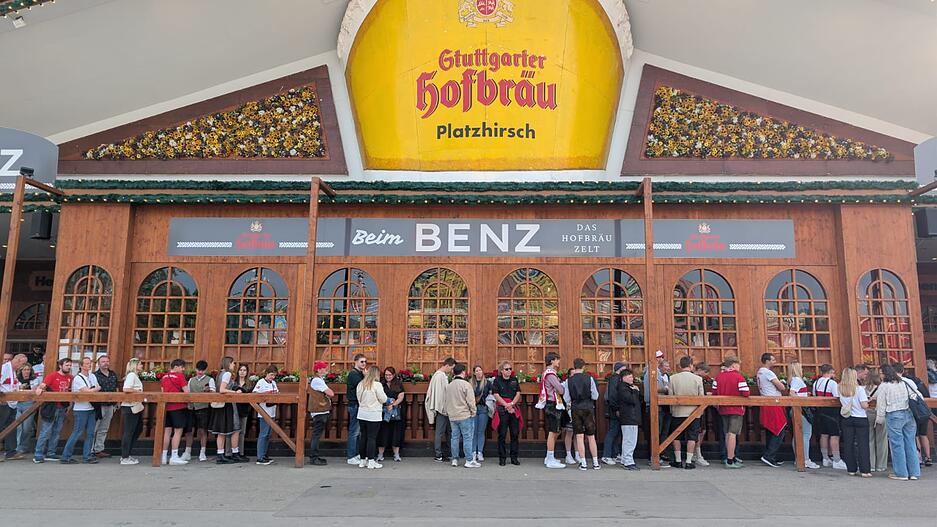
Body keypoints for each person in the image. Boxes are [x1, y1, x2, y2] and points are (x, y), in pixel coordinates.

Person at [875, 364, 921, 481]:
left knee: (897, 444)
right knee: (910, 443)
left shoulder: (884, 386)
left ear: (884, 374)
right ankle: (914, 472)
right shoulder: (904, 382)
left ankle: (901, 473)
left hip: (894, 414)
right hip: (909, 413)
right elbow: (917, 395)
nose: (880, 375)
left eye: (880, 373)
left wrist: (879, 419)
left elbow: (881, 405)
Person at [667, 355, 704, 470]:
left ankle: (678, 460)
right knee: (692, 437)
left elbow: (670, 396)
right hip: (694, 412)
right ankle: (688, 461)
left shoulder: (673, 378)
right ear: (690, 365)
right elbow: (701, 397)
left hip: (678, 411)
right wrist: (700, 412)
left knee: (676, 436)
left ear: (680, 366)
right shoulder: (698, 379)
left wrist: (672, 409)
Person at [61, 357, 101, 464]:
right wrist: (94, 389)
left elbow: (95, 389)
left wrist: (93, 390)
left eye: (90, 363)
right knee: (77, 432)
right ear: (81, 366)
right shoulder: (78, 378)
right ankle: (66, 456)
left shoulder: (92, 376)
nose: (89, 365)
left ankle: (87, 456)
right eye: (87, 363)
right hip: (81, 409)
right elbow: (87, 391)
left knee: (90, 433)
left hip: (91, 408)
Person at [32, 358, 73, 463]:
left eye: (70, 365)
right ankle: (38, 454)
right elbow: (43, 385)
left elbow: (71, 392)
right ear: (60, 365)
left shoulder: (70, 377)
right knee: (45, 431)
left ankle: (51, 453)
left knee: (57, 432)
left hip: (62, 407)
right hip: (51, 407)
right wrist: (39, 389)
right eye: (67, 365)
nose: (69, 367)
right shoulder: (53, 375)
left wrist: (69, 405)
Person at [712, 356, 749, 468]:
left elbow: (714, 393)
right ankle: (730, 460)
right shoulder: (739, 377)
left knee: (727, 433)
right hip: (736, 408)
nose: (739, 366)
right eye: (738, 364)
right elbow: (745, 393)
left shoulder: (718, 377)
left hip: (723, 408)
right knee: (733, 434)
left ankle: (729, 457)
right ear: (733, 365)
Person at [210, 356, 245, 464]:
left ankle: (221, 454)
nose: (234, 365)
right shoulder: (228, 374)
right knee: (235, 428)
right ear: (229, 363)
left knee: (222, 431)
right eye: (233, 363)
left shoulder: (220, 374)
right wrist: (236, 392)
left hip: (221, 405)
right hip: (227, 404)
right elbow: (222, 389)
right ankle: (234, 453)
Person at [568, 358, 601, 470]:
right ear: (583, 367)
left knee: (579, 436)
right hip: (588, 407)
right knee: (591, 436)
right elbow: (595, 395)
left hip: (576, 408)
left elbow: (566, 397)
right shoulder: (589, 378)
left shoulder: (569, 380)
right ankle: (596, 462)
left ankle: (583, 463)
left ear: (574, 366)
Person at [812, 363, 846, 469]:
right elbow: (836, 396)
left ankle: (825, 458)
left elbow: (814, 395)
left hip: (820, 411)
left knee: (824, 434)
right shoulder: (832, 383)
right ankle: (836, 459)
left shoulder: (816, 383)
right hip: (831, 412)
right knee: (834, 435)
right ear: (830, 372)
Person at [756, 353, 787, 468]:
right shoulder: (767, 372)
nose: (775, 361)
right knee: (779, 429)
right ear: (767, 361)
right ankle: (769, 455)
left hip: (766, 401)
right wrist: (782, 383)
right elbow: (781, 387)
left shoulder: (760, 372)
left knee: (772, 430)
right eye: (773, 359)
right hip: (773, 402)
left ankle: (771, 455)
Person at [897, 365, 932, 467]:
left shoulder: (901, 382)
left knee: (914, 435)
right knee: (923, 434)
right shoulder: (914, 381)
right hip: (922, 411)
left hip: (913, 411)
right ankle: (928, 457)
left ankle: (919, 458)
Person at [839, 367, 871, 477]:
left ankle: (851, 469)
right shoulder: (859, 389)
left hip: (847, 418)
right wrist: (868, 402)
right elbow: (864, 405)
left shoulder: (840, 388)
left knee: (848, 444)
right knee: (863, 444)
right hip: (860, 417)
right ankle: (865, 470)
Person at [446, 363, 480, 468]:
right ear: (463, 372)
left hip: (452, 415)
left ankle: (455, 459)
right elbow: (471, 401)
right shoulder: (466, 385)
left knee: (454, 437)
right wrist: (473, 412)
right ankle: (469, 460)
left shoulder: (449, 385)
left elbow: (446, 401)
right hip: (464, 415)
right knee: (467, 438)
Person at [787, 361, 819, 469]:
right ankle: (805, 459)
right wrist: (801, 400)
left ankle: (799, 458)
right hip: (801, 409)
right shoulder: (797, 380)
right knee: (805, 434)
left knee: (798, 435)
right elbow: (792, 393)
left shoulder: (792, 380)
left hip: (796, 408)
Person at [356, 365, 388, 469]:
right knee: (372, 438)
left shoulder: (361, 384)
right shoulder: (377, 385)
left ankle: (362, 460)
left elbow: (358, 398)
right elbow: (383, 399)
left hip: (362, 413)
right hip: (373, 414)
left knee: (363, 437)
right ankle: (371, 461)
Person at [160, 358, 191, 465]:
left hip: (167, 407)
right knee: (178, 432)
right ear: (176, 367)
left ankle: (163, 456)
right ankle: (174, 456)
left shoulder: (164, 377)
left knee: (167, 432)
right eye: (182, 367)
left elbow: (162, 392)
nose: (183, 370)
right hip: (178, 407)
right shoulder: (179, 376)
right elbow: (187, 392)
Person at [644, 352, 672, 467]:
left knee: (662, 432)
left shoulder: (660, 374)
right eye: (659, 358)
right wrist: (666, 389)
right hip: (655, 405)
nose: (661, 359)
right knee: (656, 431)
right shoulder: (651, 372)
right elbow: (653, 389)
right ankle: (654, 456)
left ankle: (659, 454)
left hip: (663, 406)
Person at [492, 360, 522, 466]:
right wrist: (506, 405)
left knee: (514, 434)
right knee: (502, 434)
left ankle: (514, 457)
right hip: (503, 409)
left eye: (510, 369)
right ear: (501, 371)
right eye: (506, 369)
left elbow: (518, 393)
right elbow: (496, 395)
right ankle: (502, 458)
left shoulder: (514, 380)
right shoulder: (497, 381)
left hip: (513, 408)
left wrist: (512, 404)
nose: (509, 371)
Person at [426, 357, 455, 462]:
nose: (451, 371)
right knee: (441, 432)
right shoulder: (440, 376)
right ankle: (439, 454)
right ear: (447, 365)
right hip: (443, 408)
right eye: (451, 368)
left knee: (447, 432)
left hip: (443, 408)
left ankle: (448, 453)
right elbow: (441, 394)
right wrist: (443, 408)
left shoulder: (438, 375)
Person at [541, 352, 566, 469]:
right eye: (557, 360)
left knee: (555, 430)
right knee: (553, 431)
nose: (558, 362)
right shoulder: (551, 374)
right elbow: (560, 390)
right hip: (552, 404)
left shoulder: (547, 373)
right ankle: (550, 458)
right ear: (552, 361)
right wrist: (562, 385)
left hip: (551, 404)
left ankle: (549, 456)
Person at [187, 360, 215, 462]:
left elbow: (213, 393)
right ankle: (188, 451)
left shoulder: (210, 380)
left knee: (203, 430)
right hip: (191, 407)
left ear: (205, 370)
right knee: (190, 430)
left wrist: (209, 391)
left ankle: (202, 452)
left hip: (204, 407)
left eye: (202, 370)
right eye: (198, 369)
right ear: (195, 369)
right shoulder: (191, 380)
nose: (200, 372)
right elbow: (188, 392)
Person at [91, 355, 119, 459]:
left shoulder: (112, 374)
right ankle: (89, 450)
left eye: (107, 361)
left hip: (111, 405)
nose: (106, 363)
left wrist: (118, 402)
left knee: (104, 428)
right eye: (103, 361)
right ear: (98, 363)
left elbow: (116, 387)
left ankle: (99, 449)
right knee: (94, 428)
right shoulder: (94, 375)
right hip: (99, 405)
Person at [0, 353, 27, 460]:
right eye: (23, 363)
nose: (23, 366)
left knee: (11, 427)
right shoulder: (4, 369)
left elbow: (11, 384)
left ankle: (11, 452)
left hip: (11, 403)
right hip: (4, 402)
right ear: (18, 361)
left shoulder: (13, 371)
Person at [614, 368, 642, 471]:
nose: (632, 378)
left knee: (628, 440)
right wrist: (635, 391)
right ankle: (628, 461)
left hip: (629, 417)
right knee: (630, 440)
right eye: (630, 376)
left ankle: (625, 460)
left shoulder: (625, 387)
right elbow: (632, 400)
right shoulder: (624, 388)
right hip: (630, 417)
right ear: (624, 378)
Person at [307, 361, 334, 466]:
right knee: (316, 435)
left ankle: (315, 456)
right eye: (323, 368)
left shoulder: (318, 380)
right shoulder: (317, 381)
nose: (326, 369)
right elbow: (331, 393)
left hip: (320, 411)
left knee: (316, 435)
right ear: (318, 370)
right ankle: (314, 457)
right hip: (319, 411)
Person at [252, 365, 279, 465]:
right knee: (263, 434)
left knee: (268, 434)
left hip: (272, 411)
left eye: (274, 375)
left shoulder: (273, 383)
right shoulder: (261, 382)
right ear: (266, 374)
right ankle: (260, 457)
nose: (273, 377)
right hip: (264, 412)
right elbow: (255, 393)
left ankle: (265, 454)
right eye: (271, 375)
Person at [119, 358, 145, 465]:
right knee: (129, 432)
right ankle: (125, 456)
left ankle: (127, 454)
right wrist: (137, 391)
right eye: (140, 364)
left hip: (135, 406)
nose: (142, 366)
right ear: (135, 365)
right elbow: (126, 389)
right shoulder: (131, 376)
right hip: (130, 406)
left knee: (137, 429)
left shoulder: (135, 376)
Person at [378, 366, 406, 463]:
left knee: (396, 433)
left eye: (389, 375)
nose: (388, 377)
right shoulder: (381, 384)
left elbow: (401, 396)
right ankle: (380, 454)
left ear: (393, 375)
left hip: (396, 412)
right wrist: (386, 405)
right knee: (382, 433)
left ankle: (396, 454)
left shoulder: (398, 384)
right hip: (384, 411)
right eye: (386, 375)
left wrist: (393, 405)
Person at [14, 362, 41, 458]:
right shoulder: (17, 380)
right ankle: (17, 447)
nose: (26, 372)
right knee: (18, 427)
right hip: (18, 404)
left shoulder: (35, 380)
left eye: (28, 370)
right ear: (21, 371)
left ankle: (24, 447)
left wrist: (34, 389)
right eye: (24, 370)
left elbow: (37, 391)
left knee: (27, 428)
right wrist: (19, 387)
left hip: (29, 404)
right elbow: (13, 389)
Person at [601, 361, 626, 465]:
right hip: (615, 409)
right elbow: (613, 395)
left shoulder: (614, 378)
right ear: (620, 369)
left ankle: (615, 454)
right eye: (624, 369)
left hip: (614, 409)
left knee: (616, 432)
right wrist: (617, 409)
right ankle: (606, 455)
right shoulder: (616, 379)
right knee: (613, 432)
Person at [226, 364, 253, 459]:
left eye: (244, 370)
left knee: (242, 432)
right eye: (240, 370)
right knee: (231, 431)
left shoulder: (249, 384)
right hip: (233, 409)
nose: (242, 372)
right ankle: (228, 453)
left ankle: (240, 452)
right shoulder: (233, 383)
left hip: (244, 409)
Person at [345, 353, 367, 465]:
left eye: (365, 362)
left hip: (358, 405)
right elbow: (363, 387)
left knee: (358, 432)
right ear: (356, 362)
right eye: (362, 361)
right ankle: (351, 456)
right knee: (354, 431)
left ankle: (356, 454)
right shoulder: (354, 374)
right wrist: (366, 376)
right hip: (354, 405)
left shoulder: (359, 373)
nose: (364, 364)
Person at [865, 369, 888, 473]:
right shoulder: (881, 388)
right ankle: (881, 465)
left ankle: (871, 464)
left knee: (869, 440)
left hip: (868, 413)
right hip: (879, 413)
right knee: (881, 440)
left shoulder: (864, 389)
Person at [470, 365, 491, 462]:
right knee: (473, 431)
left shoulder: (487, 383)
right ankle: (474, 451)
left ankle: (480, 452)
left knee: (481, 431)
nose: (479, 372)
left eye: (480, 370)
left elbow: (490, 395)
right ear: (474, 373)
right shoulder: (470, 383)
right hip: (473, 409)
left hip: (483, 408)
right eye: (477, 371)